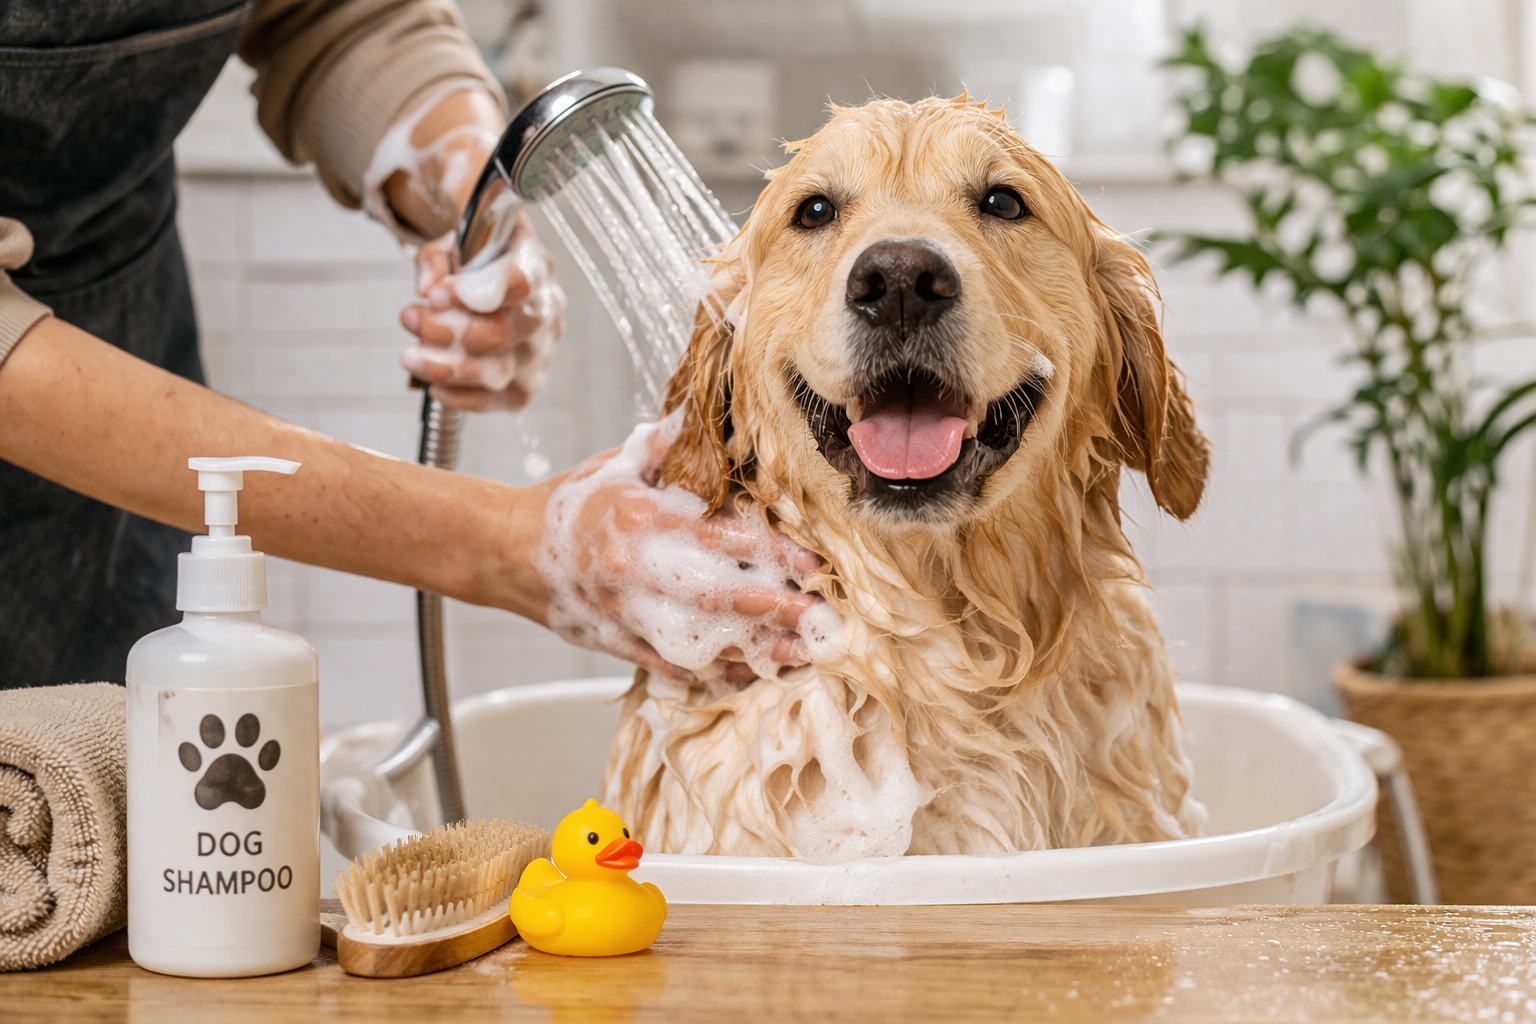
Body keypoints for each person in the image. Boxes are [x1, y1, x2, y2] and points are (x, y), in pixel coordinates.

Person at [0, 0, 822, 690]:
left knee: (125, 764)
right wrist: (510, 543)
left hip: (117, 314)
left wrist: (470, 205)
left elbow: (333, 14)